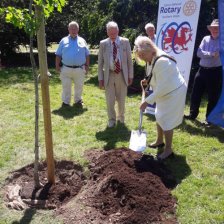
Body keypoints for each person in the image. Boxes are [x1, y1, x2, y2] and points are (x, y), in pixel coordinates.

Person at [134, 36, 187, 160]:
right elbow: (152, 75)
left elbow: (162, 88)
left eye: (142, 55)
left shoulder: (162, 62)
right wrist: (146, 82)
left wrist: (146, 102)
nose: (141, 58)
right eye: (139, 56)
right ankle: (159, 141)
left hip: (174, 92)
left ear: (150, 50)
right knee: (159, 115)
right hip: (164, 91)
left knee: (166, 120)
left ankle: (168, 150)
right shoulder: (150, 58)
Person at [184, 19, 222, 125]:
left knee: (213, 97)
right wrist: (211, 54)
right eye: (213, 28)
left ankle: (209, 119)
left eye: (217, 28)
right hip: (202, 70)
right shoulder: (205, 38)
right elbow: (199, 53)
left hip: (215, 71)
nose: (215, 30)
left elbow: (218, 55)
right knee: (195, 93)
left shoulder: (222, 41)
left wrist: (210, 54)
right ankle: (192, 114)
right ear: (210, 29)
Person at [98, 21, 133, 128]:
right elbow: (100, 63)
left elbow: (129, 61)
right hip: (109, 75)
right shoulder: (103, 43)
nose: (113, 35)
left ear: (118, 31)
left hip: (122, 74)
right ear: (107, 32)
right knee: (110, 100)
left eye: (114, 33)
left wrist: (130, 75)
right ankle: (111, 120)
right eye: (110, 33)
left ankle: (121, 118)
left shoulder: (125, 42)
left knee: (121, 99)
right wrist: (100, 78)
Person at [55, 21, 90, 107]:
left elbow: (87, 54)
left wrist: (87, 66)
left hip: (80, 68)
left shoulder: (82, 41)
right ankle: (66, 102)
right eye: (71, 28)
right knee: (66, 86)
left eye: (75, 28)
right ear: (68, 29)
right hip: (66, 68)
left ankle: (78, 101)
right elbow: (58, 54)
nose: (73, 30)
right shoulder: (63, 41)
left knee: (79, 86)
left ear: (78, 29)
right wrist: (57, 65)